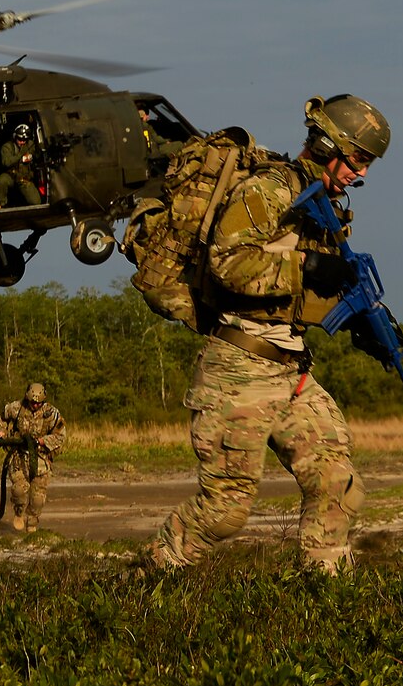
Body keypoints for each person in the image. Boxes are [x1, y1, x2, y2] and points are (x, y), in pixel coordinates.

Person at [150, 94, 390, 574]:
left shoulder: (323, 207)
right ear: (329, 145)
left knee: (337, 482)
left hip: (291, 368)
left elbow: (305, 295)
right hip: (239, 369)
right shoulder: (268, 192)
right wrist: (306, 265)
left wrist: (357, 320)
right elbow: (227, 264)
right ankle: (148, 582)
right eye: (359, 159)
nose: (361, 173)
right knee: (225, 511)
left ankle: (327, 596)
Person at [0, 381, 66, 531]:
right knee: (19, 490)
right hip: (18, 456)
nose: (35, 406)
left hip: (40, 459)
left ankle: (32, 523)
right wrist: (0, 433)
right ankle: (18, 512)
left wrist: (41, 441)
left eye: (38, 404)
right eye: (32, 403)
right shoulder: (16, 407)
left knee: (38, 499)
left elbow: (60, 437)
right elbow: (2, 417)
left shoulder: (52, 414)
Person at [0, 122, 42, 207]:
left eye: (24, 140)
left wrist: (32, 157)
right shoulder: (7, 147)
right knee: (1, 181)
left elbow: (38, 154)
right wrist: (20, 157)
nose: (22, 142)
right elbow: (6, 162)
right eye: (20, 139)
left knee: (36, 202)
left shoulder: (30, 144)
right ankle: (2, 204)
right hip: (11, 175)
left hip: (24, 177)